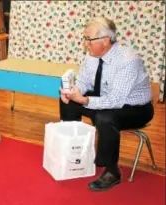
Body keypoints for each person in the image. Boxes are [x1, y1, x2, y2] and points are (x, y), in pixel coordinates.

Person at [59, 17, 154, 191]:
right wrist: (74, 92)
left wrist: (86, 100)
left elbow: (116, 100)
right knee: (69, 101)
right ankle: (73, 149)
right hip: (107, 98)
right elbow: (84, 81)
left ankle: (112, 171)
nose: (86, 43)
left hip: (134, 108)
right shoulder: (92, 56)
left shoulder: (128, 60)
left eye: (89, 39)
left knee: (105, 116)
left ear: (106, 40)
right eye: (85, 39)